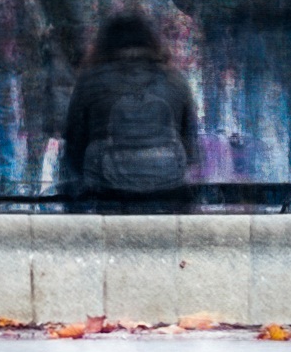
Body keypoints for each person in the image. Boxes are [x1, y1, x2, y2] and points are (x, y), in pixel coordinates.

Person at [55, 14, 201, 212]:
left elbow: (74, 145)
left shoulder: (91, 79)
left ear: (104, 44)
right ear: (152, 43)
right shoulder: (174, 80)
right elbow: (191, 147)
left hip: (107, 189)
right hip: (168, 187)